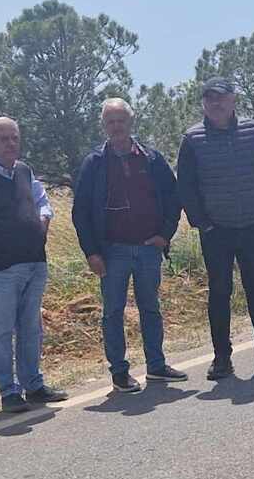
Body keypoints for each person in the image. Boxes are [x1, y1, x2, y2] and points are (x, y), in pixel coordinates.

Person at [178, 77, 254, 379]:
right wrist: (202, 224)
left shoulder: (253, 131)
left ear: (233, 100)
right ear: (203, 103)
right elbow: (186, 188)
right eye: (209, 98)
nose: (215, 103)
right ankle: (221, 358)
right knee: (220, 293)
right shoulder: (192, 139)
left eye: (221, 97)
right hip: (216, 231)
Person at [71, 97, 187, 393]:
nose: (116, 126)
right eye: (110, 122)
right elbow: (80, 211)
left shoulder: (151, 158)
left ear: (130, 122)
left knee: (151, 308)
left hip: (149, 248)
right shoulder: (94, 163)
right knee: (113, 312)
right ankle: (120, 373)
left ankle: (156, 366)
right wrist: (91, 252)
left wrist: (165, 236)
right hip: (112, 251)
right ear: (103, 126)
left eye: (121, 120)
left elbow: (174, 198)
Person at [0, 117, 69, 413]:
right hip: (0, 270)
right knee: (0, 332)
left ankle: (33, 385)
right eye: (3, 139)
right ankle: (8, 392)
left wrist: (44, 216)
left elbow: (41, 199)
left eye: (14, 138)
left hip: (35, 263)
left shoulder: (23, 171)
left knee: (31, 328)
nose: (10, 144)